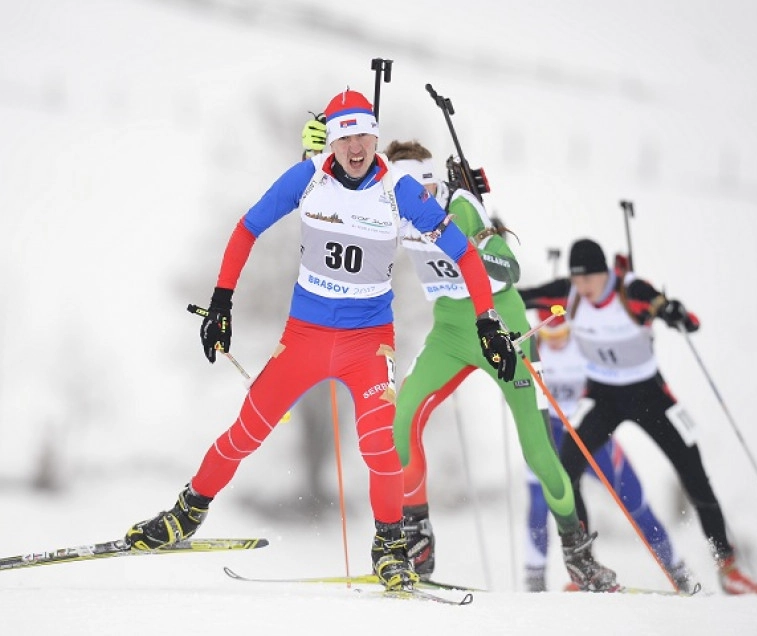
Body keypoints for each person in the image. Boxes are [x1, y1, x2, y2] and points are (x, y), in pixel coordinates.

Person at [123, 89, 518, 592]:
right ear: (330, 142)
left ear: (375, 136)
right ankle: (186, 513)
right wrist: (221, 304)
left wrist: (487, 321)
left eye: (364, 136)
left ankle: (390, 546)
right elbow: (247, 228)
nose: (355, 147)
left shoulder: (398, 190)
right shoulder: (306, 178)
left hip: (367, 344)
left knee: (379, 445)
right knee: (246, 432)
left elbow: (463, 255)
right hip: (305, 338)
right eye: (344, 137)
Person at [302, 124, 621, 592]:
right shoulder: (391, 206)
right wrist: (313, 156)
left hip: (502, 329)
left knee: (537, 450)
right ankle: (417, 536)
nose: (420, 200)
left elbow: (509, 269)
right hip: (450, 331)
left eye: (426, 189)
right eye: (411, 191)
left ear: (436, 182)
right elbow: (334, 207)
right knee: (399, 421)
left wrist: (472, 247)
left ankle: (579, 555)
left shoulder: (462, 207)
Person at [519, 237, 757, 595]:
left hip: (648, 395)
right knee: (566, 471)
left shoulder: (631, 290)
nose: (581, 288)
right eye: (576, 280)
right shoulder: (568, 293)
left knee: (693, 473)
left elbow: (685, 319)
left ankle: (728, 567)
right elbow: (518, 297)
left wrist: (675, 313)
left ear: (603, 273)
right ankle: (584, 567)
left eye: (587, 279)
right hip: (603, 397)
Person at [524, 307, 693, 593]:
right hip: (550, 433)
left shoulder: (584, 344)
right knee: (540, 503)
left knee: (634, 499)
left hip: (586, 432)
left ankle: (679, 573)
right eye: (550, 335)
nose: (556, 341)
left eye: (561, 333)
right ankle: (537, 580)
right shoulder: (533, 348)